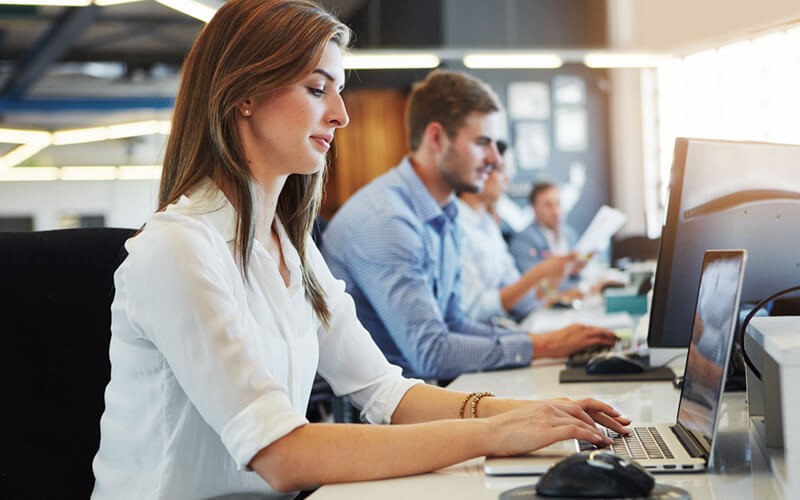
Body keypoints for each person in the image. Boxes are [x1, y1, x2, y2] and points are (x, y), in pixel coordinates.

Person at [91, 1, 629, 498]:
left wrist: (540, 412)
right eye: (318, 89)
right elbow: (281, 454)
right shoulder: (179, 249)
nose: (341, 115)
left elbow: (386, 392)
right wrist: (495, 432)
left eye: (340, 90)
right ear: (244, 94)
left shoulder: (289, 244)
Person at [322, 69, 618, 381]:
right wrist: (544, 345)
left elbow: (455, 322)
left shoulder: (443, 212)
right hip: (382, 414)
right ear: (437, 138)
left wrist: (538, 342)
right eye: (482, 143)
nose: (494, 159)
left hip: (424, 391)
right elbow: (431, 353)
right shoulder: (387, 221)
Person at [456, 144, 578, 323]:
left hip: (513, 324)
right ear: (478, 171)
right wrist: (538, 275)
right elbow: (473, 309)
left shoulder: (488, 225)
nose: (506, 179)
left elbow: (519, 292)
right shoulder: (458, 227)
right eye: (500, 170)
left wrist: (554, 287)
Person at [510, 181, 579, 274]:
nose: (556, 211)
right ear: (534, 208)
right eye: (548, 205)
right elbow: (533, 280)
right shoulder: (523, 241)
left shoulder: (570, 234)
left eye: (558, 203)